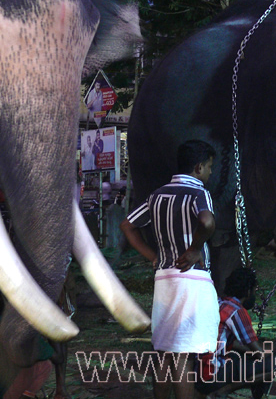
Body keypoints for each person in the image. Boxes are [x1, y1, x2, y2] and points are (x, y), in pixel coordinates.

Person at [120, 140, 218, 399]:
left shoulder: (157, 195)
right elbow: (207, 221)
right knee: (184, 357)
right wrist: (196, 247)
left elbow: (127, 225)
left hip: (164, 278)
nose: (210, 173)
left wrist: (153, 256)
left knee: (164, 352)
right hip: (192, 279)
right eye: (209, 167)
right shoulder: (199, 192)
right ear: (198, 167)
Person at [196, 268, 276, 399]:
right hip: (211, 374)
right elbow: (259, 354)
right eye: (254, 291)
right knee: (275, 364)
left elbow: (231, 343)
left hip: (197, 369)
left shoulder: (218, 302)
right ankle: (224, 390)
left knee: (239, 356)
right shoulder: (236, 311)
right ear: (248, 291)